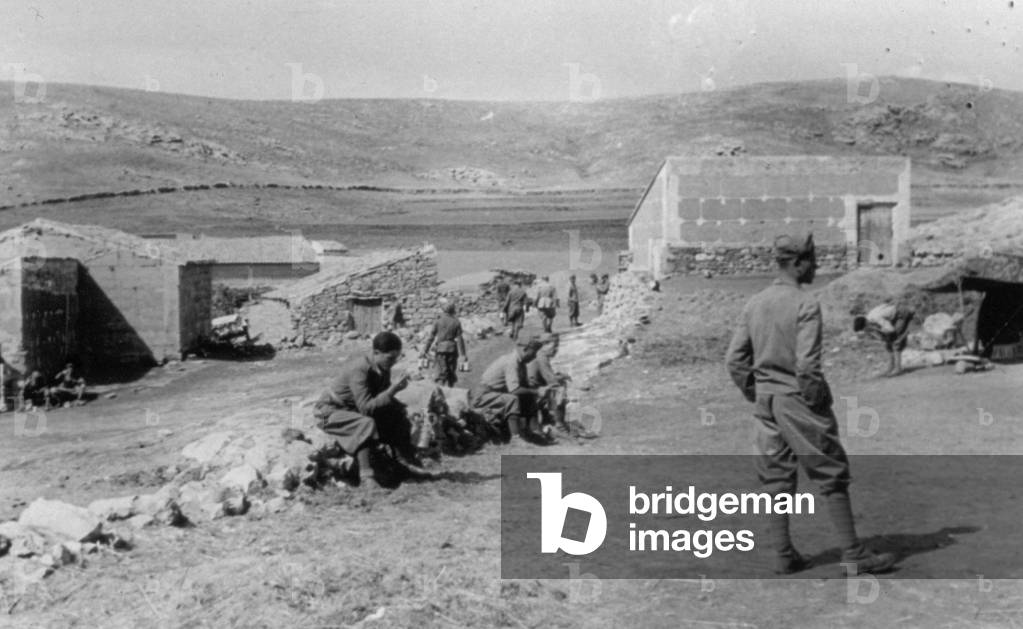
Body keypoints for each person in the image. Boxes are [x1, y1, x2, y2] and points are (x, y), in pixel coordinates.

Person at [725, 233, 897, 576]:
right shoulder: (805, 304)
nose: (816, 267)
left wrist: (756, 392)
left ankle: (784, 555)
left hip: (766, 403)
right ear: (799, 262)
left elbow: (734, 360)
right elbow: (806, 367)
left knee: (775, 480)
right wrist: (817, 401)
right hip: (797, 400)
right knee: (830, 473)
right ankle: (853, 554)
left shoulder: (755, 303)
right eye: (813, 261)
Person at [313, 331, 430, 489]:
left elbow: (379, 397)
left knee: (398, 415)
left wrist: (400, 407)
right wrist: (392, 391)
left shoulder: (382, 367)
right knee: (366, 423)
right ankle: (367, 477)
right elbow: (366, 408)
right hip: (328, 412)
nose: (393, 362)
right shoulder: (360, 369)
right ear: (376, 353)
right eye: (390, 358)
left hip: (350, 409)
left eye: (396, 358)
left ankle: (404, 464)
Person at [469, 335, 550, 446]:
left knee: (528, 397)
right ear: (525, 349)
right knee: (512, 399)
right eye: (533, 352)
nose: (535, 356)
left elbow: (524, 386)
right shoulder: (512, 362)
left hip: (496, 393)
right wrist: (537, 391)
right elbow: (515, 390)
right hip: (484, 396)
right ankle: (515, 438)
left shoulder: (521, 363)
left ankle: (532, 431)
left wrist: (535, 393)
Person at [853, 301, 916, 376]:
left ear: (865, 324)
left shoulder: (876, 318)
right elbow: (882, 335)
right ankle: (891, 367)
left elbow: (890, 330)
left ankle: (898, 368)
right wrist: (881, 335)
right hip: (894, 316)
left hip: (901, 314)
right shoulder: (869, 319)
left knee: (896, 341)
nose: (865, 331)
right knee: (888, 344)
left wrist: (877, 330)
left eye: (864, 329)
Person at [527, 333, 571, 435]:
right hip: (531, 391)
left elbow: (546, 376)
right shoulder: (541, 356)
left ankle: (548, 420)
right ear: (545, 344)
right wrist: (562, 377)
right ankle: (559, 424)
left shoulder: (538, 354)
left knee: (554, 387)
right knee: (559, 388)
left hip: (531, 388)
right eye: (555, 346)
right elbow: (551, 380)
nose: (556, 349)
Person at [421, 303, 468, 387]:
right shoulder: (456, 322)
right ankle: (450, 389)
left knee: (440, 372)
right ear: (452, 310)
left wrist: (425, 349)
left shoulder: (438, 321)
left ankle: (441, 389)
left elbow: (431, 337)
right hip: (452, 350)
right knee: (451, 371)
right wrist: (463, 354)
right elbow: (460, 339)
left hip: (440, 350)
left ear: (443, 310)